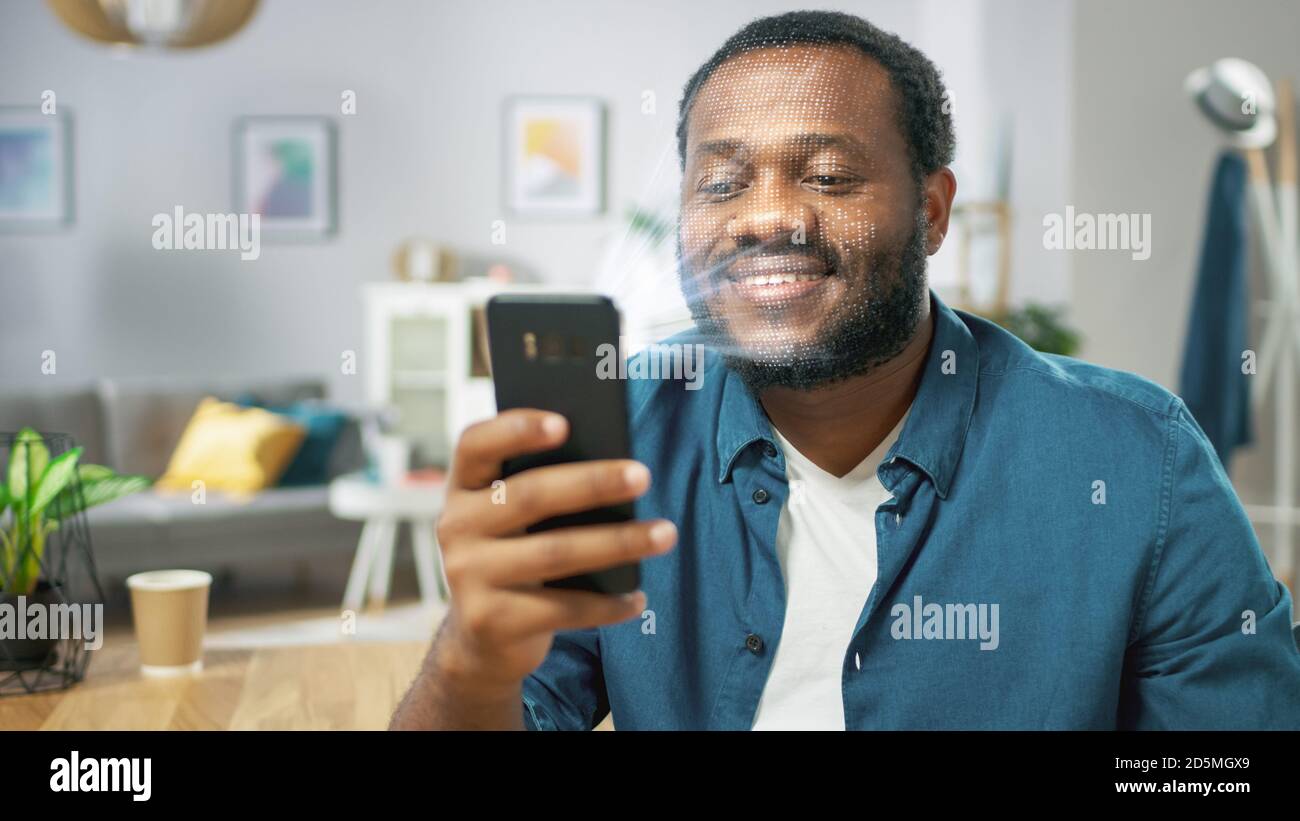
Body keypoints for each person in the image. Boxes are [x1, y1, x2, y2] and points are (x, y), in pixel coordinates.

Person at [391, 10, 1300, 730]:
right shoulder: (620, 436)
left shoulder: (1140, 461)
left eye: (827, 177)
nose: (763, 217)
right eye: (721, 183)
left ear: (933, 212)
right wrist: (467, 660)